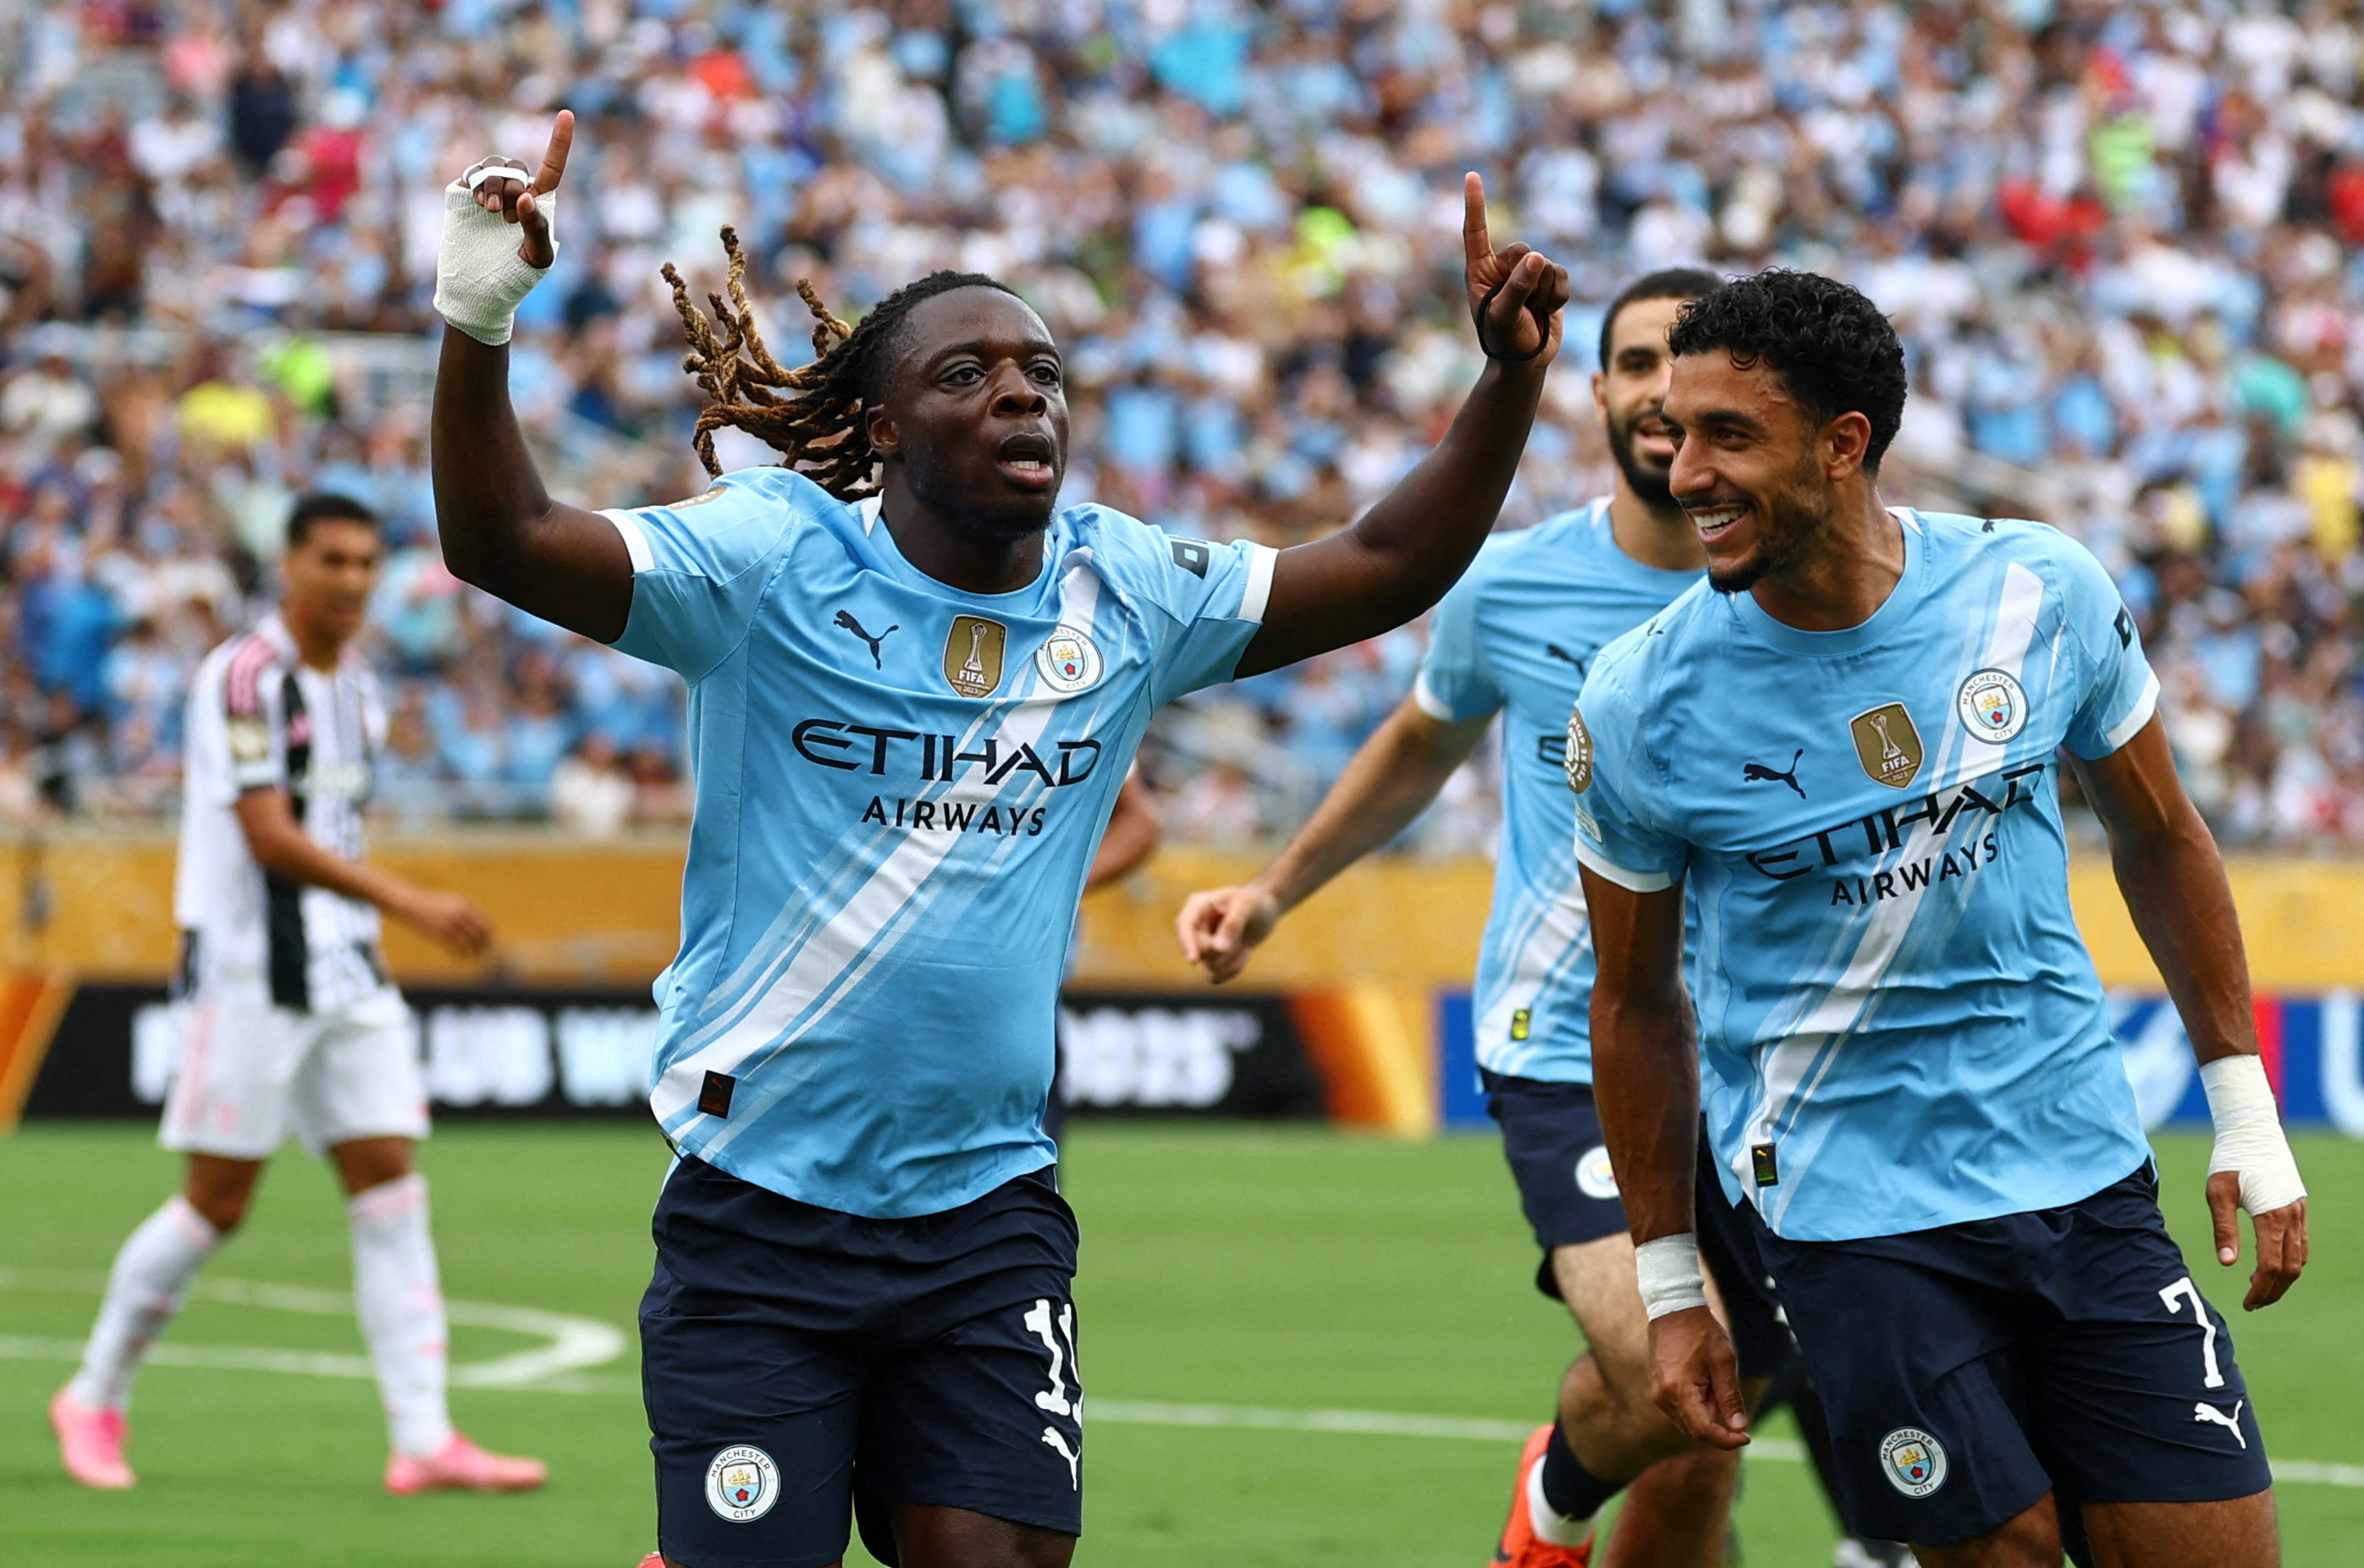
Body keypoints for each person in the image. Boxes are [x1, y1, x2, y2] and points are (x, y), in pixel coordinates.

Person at [427, 111, 1568, 1568]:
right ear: (886, 429)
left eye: (1041, 370)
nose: (1020, 393)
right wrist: (477, 315)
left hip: (984, 1214)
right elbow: (501, 538)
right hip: (757, 1212)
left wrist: (1507, 379)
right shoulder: (768, 561)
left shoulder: (1126, 588)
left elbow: (1387, 562)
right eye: (964, 374)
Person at [1573, 270, 2309, 1567]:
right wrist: (1675, 1287)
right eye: (1677, 434)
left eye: (1727, 435)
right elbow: (1634, 1003)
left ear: (1843, 443)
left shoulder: (2039, 591)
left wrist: (2244, 1111)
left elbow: (2160, 834)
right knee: (2003, 1549)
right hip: (1851, 1214)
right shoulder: (1641, 703)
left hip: (2082, 1173)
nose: (1684, 472)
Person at [1174, 269, 1901, 1568]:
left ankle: (1574, 1501)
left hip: (1764, 1060)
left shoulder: (1814, 599)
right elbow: (1416, 741)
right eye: (1634, 367)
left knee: (1706, 1431)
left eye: (1689, 377)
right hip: (1568, 1039)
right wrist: (1273, 890)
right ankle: (1555, 1499)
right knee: (1679, 1366)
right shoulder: (1509, 586)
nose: (1662, 403)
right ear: (1611, 391)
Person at [49, 493, 546, 1497]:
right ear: (290, 564)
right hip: (248, 972)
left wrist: (380, 920)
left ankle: (423, 1435)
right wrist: (414, 902)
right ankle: (92, 1392)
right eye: (333, 560)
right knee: (215, 1203)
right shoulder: (243, 676)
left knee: (390, 1183)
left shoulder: (355, 686)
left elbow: (334, 830)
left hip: (347, 972)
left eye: (367, 563)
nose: (353, 581)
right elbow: (269, 835)